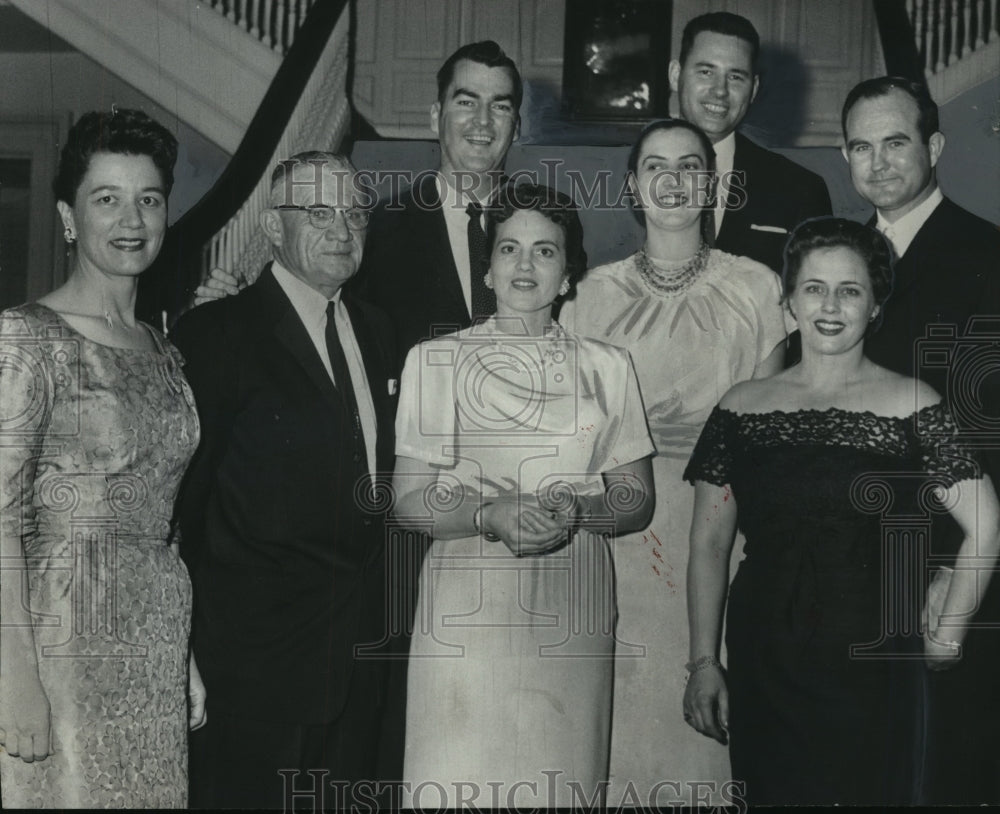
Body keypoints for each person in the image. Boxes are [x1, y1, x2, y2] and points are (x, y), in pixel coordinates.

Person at [683, 217, 1000, 805]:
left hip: (874, 658)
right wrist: (703, 661)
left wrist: (948, 634)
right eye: (813, 287)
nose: (830, 306)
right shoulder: (741, 406)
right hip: (764, 652)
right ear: (788, 298)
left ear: (876, 305)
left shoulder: (912, 402)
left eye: (850, 290)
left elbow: (987, 525)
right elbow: (708, 545)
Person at [393, 183, 655, 808]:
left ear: (568, 276)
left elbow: (636, 499)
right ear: (488, 269)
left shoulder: (608, 366)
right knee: (458, 776)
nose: (524, 265)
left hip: (573, 591)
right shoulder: (436, 361)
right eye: (509, 248)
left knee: (556, 778)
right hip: (467, 594)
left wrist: (577, 510)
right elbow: (407, 501)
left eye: (545, 251)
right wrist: (488, 513)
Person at [559, 118, 786, 806]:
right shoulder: (589, 296)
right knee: (615, 734)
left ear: (711, 183)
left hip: (719, 533)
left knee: (703, 744)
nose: (673, 178)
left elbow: (767, 441)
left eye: (690, 164)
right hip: (620, 543)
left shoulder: (757, 289)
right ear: (633, 185)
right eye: (655, 165)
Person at [170, 152, 397, 809]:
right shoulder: (216, 332)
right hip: (251, 665)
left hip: (357, 658)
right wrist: (183, 650)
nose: (343, 229)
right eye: (319, 212)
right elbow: (184, 504)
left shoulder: (377, 330)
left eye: (355, 213)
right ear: (272, 228)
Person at [0, 108, 204, 808]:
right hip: (61, 638)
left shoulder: (163, 348)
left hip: (154, 641)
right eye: (106, 199)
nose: (131, 219)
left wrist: (185, 660)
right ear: (68, 216)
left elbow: (162, 519)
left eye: (148, 199)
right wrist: (15, 679)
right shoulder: (29, 338)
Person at [842, 76, 1000, 804]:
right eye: (860, 148)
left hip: (944, 568)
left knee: (940, 778)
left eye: (895, 143)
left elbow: (989, 434)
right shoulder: (838, 264)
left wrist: (953, 568)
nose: (877, 164)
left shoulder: (984, 255)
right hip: (848, 566)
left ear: (934, 146)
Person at [669, 12, 832, 274]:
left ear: (754, 89)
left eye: (735, 77)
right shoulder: (618, 177)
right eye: (706, 71)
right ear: (675, 74)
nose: (720, 90)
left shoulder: (801, 189)